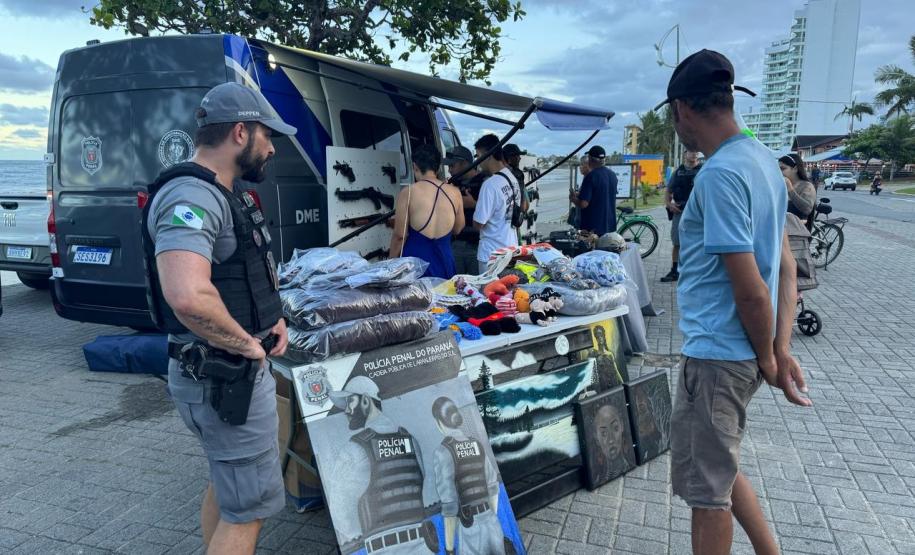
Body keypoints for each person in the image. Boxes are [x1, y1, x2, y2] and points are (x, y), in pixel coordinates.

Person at [655, 49, 811, 555]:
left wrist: (770, 356)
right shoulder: (764, 160)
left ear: (681, 109)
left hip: (721, 354)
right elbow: (787, 265)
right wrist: (779, 347)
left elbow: (751, 287)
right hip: (738, 351)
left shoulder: (720, 175)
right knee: (717, 465)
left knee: (707, 495)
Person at [142, 82, 294, 555]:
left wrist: (272, 321)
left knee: (231, 492)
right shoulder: (193, 196)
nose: (271, 148)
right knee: (248, 510)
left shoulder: (224, 193)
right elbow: (187, 294)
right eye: (269, 136)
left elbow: (241, 274)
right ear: (241, 133)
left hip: (219, 377)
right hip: (226, 379)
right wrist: (247, 345)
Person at [327, 377, 436, 554]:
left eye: (349, 401)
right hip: (422, 545)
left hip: (384, 548)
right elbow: (419, 481)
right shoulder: (409, 438)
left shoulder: (354, 448)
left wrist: (368, 532)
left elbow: (340, 512)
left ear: (365, 400)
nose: (346, 410)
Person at [431, 397, 505, 555]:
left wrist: (449, 549)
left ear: (439, 422)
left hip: (470, 529)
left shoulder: (443, 452)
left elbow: (450, 508)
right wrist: (490, 519)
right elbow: (493, 488)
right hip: (492, 522)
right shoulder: (475, 443)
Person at [389, 144, 464, 278]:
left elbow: (400, 236)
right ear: (439, 166)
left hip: (415, 263)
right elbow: (458, 228)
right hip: (444, 260)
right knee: (444, 297)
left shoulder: (409, 192)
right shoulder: (455, 192)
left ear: (415, 166)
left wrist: (390, 266)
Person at [472, 134, 521, 273]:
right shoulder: (512, 178)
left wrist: (473, 204)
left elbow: (479, 224)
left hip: (491, 256)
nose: (478, 161)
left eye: (479, 156)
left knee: (489, 293)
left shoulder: (490, 184)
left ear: (488, 156)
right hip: (510, 250)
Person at [444, 145, 489, 275]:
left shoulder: (485, 183)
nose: (449, 170)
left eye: (452, 166)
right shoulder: (453, 184)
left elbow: (496, 212)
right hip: (456, 243)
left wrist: (474, 204)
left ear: (464, 164)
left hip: (477, 244)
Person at [661, 150, 703, 282]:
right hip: (680, 211)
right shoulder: (678, 172)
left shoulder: (704, 170)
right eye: (691, 151)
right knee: (677, 242)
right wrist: (669, 204)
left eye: (696, 151)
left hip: (698, 212)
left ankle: (697, 272)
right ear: (685, 155)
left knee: (698, 243)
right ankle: (675, 271)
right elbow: (668, 190)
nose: (694, 154)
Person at [569, 145, 617, 235]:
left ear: (590, 159)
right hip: (610, 226)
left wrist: (573, 199)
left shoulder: (591, 176)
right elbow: (601, 195)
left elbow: (583, 204)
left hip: (592, 229)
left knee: (591, 249)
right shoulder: (612, 175)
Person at [779, 153, 817, 220]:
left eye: (783, 169)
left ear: (795, 169)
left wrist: (790, 189)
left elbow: (807, 209)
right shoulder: (781, 186)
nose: (779, 172)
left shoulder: (807, 186)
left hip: (797, 228)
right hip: (782, 226)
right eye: (778, 169)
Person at [503, 143, 530, 214]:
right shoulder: (517, 175)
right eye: (517, 155)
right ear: (509, 158)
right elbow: (524, 207)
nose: (520, 158)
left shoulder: (498, 175)